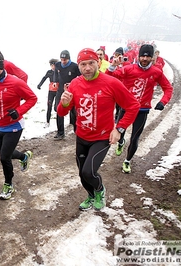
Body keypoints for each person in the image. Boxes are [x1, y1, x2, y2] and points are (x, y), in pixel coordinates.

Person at [57, 48, 140, 211]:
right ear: (79, 66)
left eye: (91, 63)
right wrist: (64, 103)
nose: (87, 68)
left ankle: (100, 190)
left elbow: (133, 106)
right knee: (82, 174)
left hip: (101, 138)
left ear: (98, 63)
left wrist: (119, 129)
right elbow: (61, 112)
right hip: (81, 136)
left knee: (89, 172)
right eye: (83, 64)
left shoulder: (111, 82)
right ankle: (90, 195)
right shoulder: (75, 84)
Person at [106, 44, 174, 174]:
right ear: (139, 56)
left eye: (148, 56)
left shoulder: (156, 72)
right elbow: (110, 77)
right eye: (143, 55)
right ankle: (121, 142)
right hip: (126, 107)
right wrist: (112, 66)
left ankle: (127, 161)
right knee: (119, 132)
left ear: (152, 57)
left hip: (142, 110)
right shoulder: (128, 69)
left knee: (135, 138)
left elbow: (168, 88)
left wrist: (163, 102)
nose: (144, 58)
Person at [0, 50, 37, 200]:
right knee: (5, 154)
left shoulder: (15, 82)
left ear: (1, 67)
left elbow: (32, 98)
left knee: (4, 157)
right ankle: (24, 157)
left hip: (14, 125)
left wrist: (18, 111)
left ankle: (8, 185)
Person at [53, 50, 81, 138]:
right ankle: (60, 132)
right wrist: (55, 82)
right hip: (60, 91)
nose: (63, 61)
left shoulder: (74, 66)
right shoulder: (57, 65)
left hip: (71, 91)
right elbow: (55, 74)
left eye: (65, 59)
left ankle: (76, 130)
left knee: (73, 111)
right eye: (61, 59)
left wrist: (72, 83)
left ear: (68, 59)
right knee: (58, 110)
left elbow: (80, 77)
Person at [37, 58, 59, 128]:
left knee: (57, 107)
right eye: (51, 65)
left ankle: (59, 122)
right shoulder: (49, 72)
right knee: (49, 106)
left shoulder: (59, 72)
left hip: (58, 91)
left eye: (54, 65)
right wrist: (39, 85)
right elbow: (44, 78)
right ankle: (47, 122)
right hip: (51, 91)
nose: (53, 67)